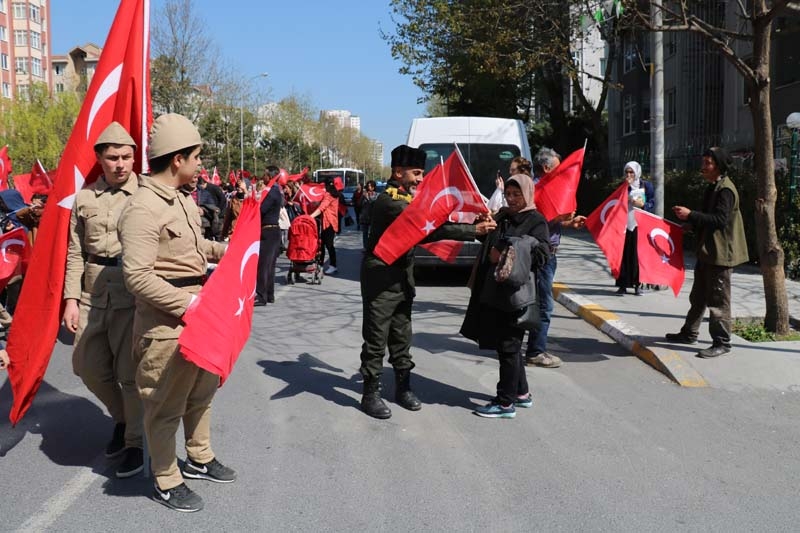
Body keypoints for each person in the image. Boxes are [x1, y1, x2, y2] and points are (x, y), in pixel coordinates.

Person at [118, 113, 232, 513]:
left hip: (200, 314)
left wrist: (229, 251)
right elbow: (137, 276)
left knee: (201, 394)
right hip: (166, 324)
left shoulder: (182, 199)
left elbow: (195, 250)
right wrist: (188, 304)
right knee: (166, 404)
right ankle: (166, 478)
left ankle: (199, 457)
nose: (200, 164)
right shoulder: (143, 208)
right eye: (197, 157)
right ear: (177, 159)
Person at [359, 144, 497, 419]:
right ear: (398, 172)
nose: (421, 179)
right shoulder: (389, 201)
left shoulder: (407, 198)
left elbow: (434, 215)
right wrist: (472, 230)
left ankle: (403, 388)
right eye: (416, 173)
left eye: (422, 174)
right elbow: (426, 228)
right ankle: (370, 394)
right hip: (381, 281)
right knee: (376, 339)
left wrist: (474, 217)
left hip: (403, 279)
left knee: (402, 337)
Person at [62, 121, 144, 478]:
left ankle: (136, 442)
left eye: (126, 156)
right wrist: (70, 299)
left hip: (132, 292)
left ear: (134, 157)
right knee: (87, 366)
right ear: (100, 159)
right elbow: (75, 253)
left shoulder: (146, 196)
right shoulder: (84, 199)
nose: (120, 164)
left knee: (129, 373)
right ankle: (124, 419)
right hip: (93, 292)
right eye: (113, 157)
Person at [461, 174, 550, 418]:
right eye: (508, 194)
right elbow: (486, 238)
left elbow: (543, 254)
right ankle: (521, 393)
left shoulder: (536, 221)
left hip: (516, 294)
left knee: (509, 346)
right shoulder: (502, 215)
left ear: (527, 194)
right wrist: (482, 226)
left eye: (516, 194)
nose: (511, 199)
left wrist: (506, 251)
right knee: (507, 346)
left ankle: (504, 403)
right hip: (493, 291)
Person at [666, 147, 748, 358]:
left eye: (707, 163)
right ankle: (689, 333)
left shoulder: (726, 190)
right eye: (703, 162)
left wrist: (690, 214)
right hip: (707, 252)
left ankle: (722, 342)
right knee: (698, 297)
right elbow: (707, 217)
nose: (703, 167)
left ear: (718, 166)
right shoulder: (713, 187)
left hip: (720, 255)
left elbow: (720, 220)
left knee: (718, 302)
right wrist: (691, 225)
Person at [524, 148, 586, 369]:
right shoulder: (536, 189)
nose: (562, 172)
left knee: (538, 303)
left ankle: (531, 347)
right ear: (546, 167)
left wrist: (569, 222)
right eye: (559, 167)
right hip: (541, 255)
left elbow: (551, 221)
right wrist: (559, 217)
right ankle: (535, 352)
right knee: (544, 305)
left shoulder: (546, 187)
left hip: (549, 254)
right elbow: (537, 221)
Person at [615, 161, 655, 296]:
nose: (629, 175)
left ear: (637, 172)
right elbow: (615, 201)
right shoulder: (622, 186)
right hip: (624, 224)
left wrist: (643, 205)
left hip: (639, 224)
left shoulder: (646, 185)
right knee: (623, 254)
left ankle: (638, 284)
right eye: (626, 172)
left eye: (631, 172)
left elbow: (652, 202)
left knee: (637, 255)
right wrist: (624, 189)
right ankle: (622, 285)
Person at [255, 166, 284, 306]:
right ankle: (269, 294)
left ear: (271, 177)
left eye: (265, 174)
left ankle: (261, 295)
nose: (263, 177)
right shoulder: (275, 191)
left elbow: (261, 210)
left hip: (269, 232)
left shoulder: (272, 193)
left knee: (264, 265)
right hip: (272, 232)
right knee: (270, 265)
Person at [309, 177, 342, 275]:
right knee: (324, 244)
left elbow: (321, 208)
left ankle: (332, 265)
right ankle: (321, 264)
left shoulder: (328, 195)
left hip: (328, 223)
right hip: (331, 223)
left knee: (328, 245)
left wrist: (310, 217)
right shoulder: (335, 194)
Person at [358, 180, 379, 251]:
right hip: (365, 216)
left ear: (373, 187)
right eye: (368, 186)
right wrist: (363, 197)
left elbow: (372, 203)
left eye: (370, 186)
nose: (369, 187)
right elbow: (359, 204)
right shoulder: (364, 194)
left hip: (372, 216)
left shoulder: (376, 195)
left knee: (372, 233)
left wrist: (367, 197)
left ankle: (372, 247)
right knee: (365, 233)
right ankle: (365, 247)